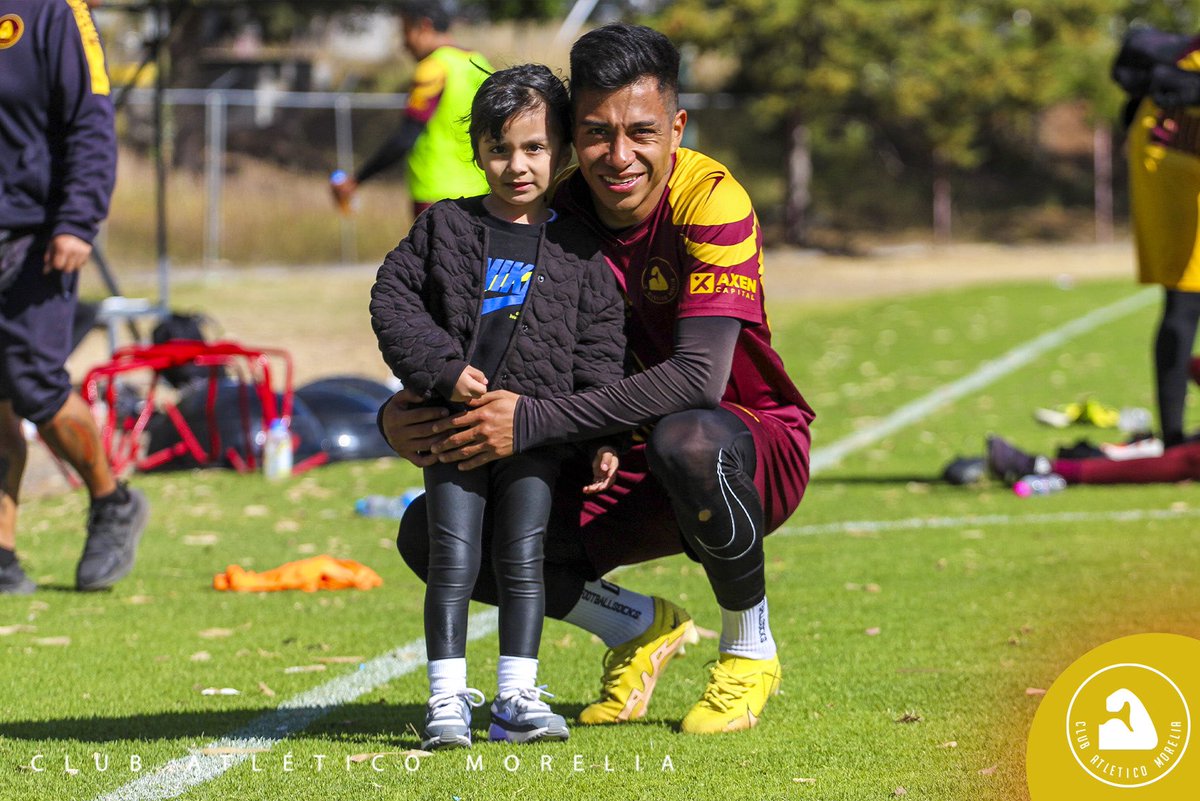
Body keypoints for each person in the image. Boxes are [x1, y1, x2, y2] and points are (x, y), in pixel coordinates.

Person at [379, 23, 814, 734]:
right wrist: (399, 415)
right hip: (605, 452)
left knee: (690, 439)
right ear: (568, 132)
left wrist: (530, 423)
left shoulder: (712, 200)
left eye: (641, 132)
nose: (619, 156)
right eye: (594, 132)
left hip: (745, 445)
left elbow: (701, 378)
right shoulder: (550, 211)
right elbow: (468, 328)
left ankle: (747, 648)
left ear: (676, 126)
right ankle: (637, 624)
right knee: (431, 535)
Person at [369, 64, 627, 749]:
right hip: (452, 435)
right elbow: (392, 303)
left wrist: (605, 436)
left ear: (562, 154)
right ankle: (446, 703)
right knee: (452, 557)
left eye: (536, 148)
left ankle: (515, 698)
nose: (518, 164)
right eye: (501, 148)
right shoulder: (442, 228)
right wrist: (444, 372)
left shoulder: (580, 251)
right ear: (479, 150)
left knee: (524, 560)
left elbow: (600, 351)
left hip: (533, 442)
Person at [0, 0, 149, 595]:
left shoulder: (55, 12)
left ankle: (112, 500)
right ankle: (3, 554)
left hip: (36, 233)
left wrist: (77, 220)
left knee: (33, 381)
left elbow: (90, 119)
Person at [1115, 29, 1200, 448]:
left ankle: (1175, 438)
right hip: (1173, 168)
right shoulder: (1186, 58)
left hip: (1174, 159)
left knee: (1184, 303)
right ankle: (1174, 438)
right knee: (1185, 300)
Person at [330, 0, 492, 219]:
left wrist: (357, 180)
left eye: (405, 32)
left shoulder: (433, 68)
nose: (404, 44)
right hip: (480, 194)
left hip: (436, 195)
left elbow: (406, 137)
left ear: (424, 27)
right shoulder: (479, 64)